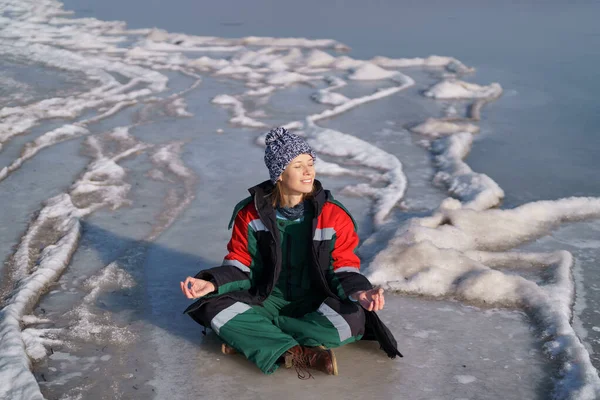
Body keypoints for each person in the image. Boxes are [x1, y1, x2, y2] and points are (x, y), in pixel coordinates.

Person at [181, 127, 402, 378]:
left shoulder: (334, 215)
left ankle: (255, 340)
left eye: (310, 163)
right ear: (279, 174)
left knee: (353, 321)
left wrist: (359, 292)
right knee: (210, 308)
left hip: (317, 301)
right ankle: (298, 351)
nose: (309, 172)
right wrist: (212, 284)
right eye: (298, 166)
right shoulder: (250, 214)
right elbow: (240, 263)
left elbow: (343, 267)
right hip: (265, 298)